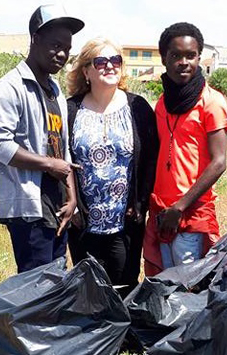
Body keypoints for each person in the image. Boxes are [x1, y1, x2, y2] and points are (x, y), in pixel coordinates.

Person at [0, 4, 83, 273]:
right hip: (30, 209)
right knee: (35, 293)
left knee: (55, 287)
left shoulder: (54, 88)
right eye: (55, 45)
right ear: (35, 39)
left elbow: (63, 150)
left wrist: (71, 197)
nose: (62, 54)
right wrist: (48, 165)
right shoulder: (10, 87)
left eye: (67, 49)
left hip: (57, 206)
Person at [66, 38, 158, 293]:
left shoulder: (137, 107)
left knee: (125, 286)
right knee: (88, 291)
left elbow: (150, 160)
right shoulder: (70, 110)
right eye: (100, 61)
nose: (109, 66)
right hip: (84, 222)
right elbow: (62, 159)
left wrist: (140, 203)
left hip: (125, 221)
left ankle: (122, 335)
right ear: (86, 71)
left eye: (115, 61)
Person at [143, 22, 227, 276]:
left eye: (190, 55)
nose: (184, 62)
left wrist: (180, 207)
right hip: (163, 211)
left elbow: (219, 162)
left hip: (190, 212)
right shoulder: (162, 104)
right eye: (176, 55)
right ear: (164, 58)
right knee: (164, 284)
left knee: (188, 287)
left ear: (199, 57)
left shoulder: (211, 102)